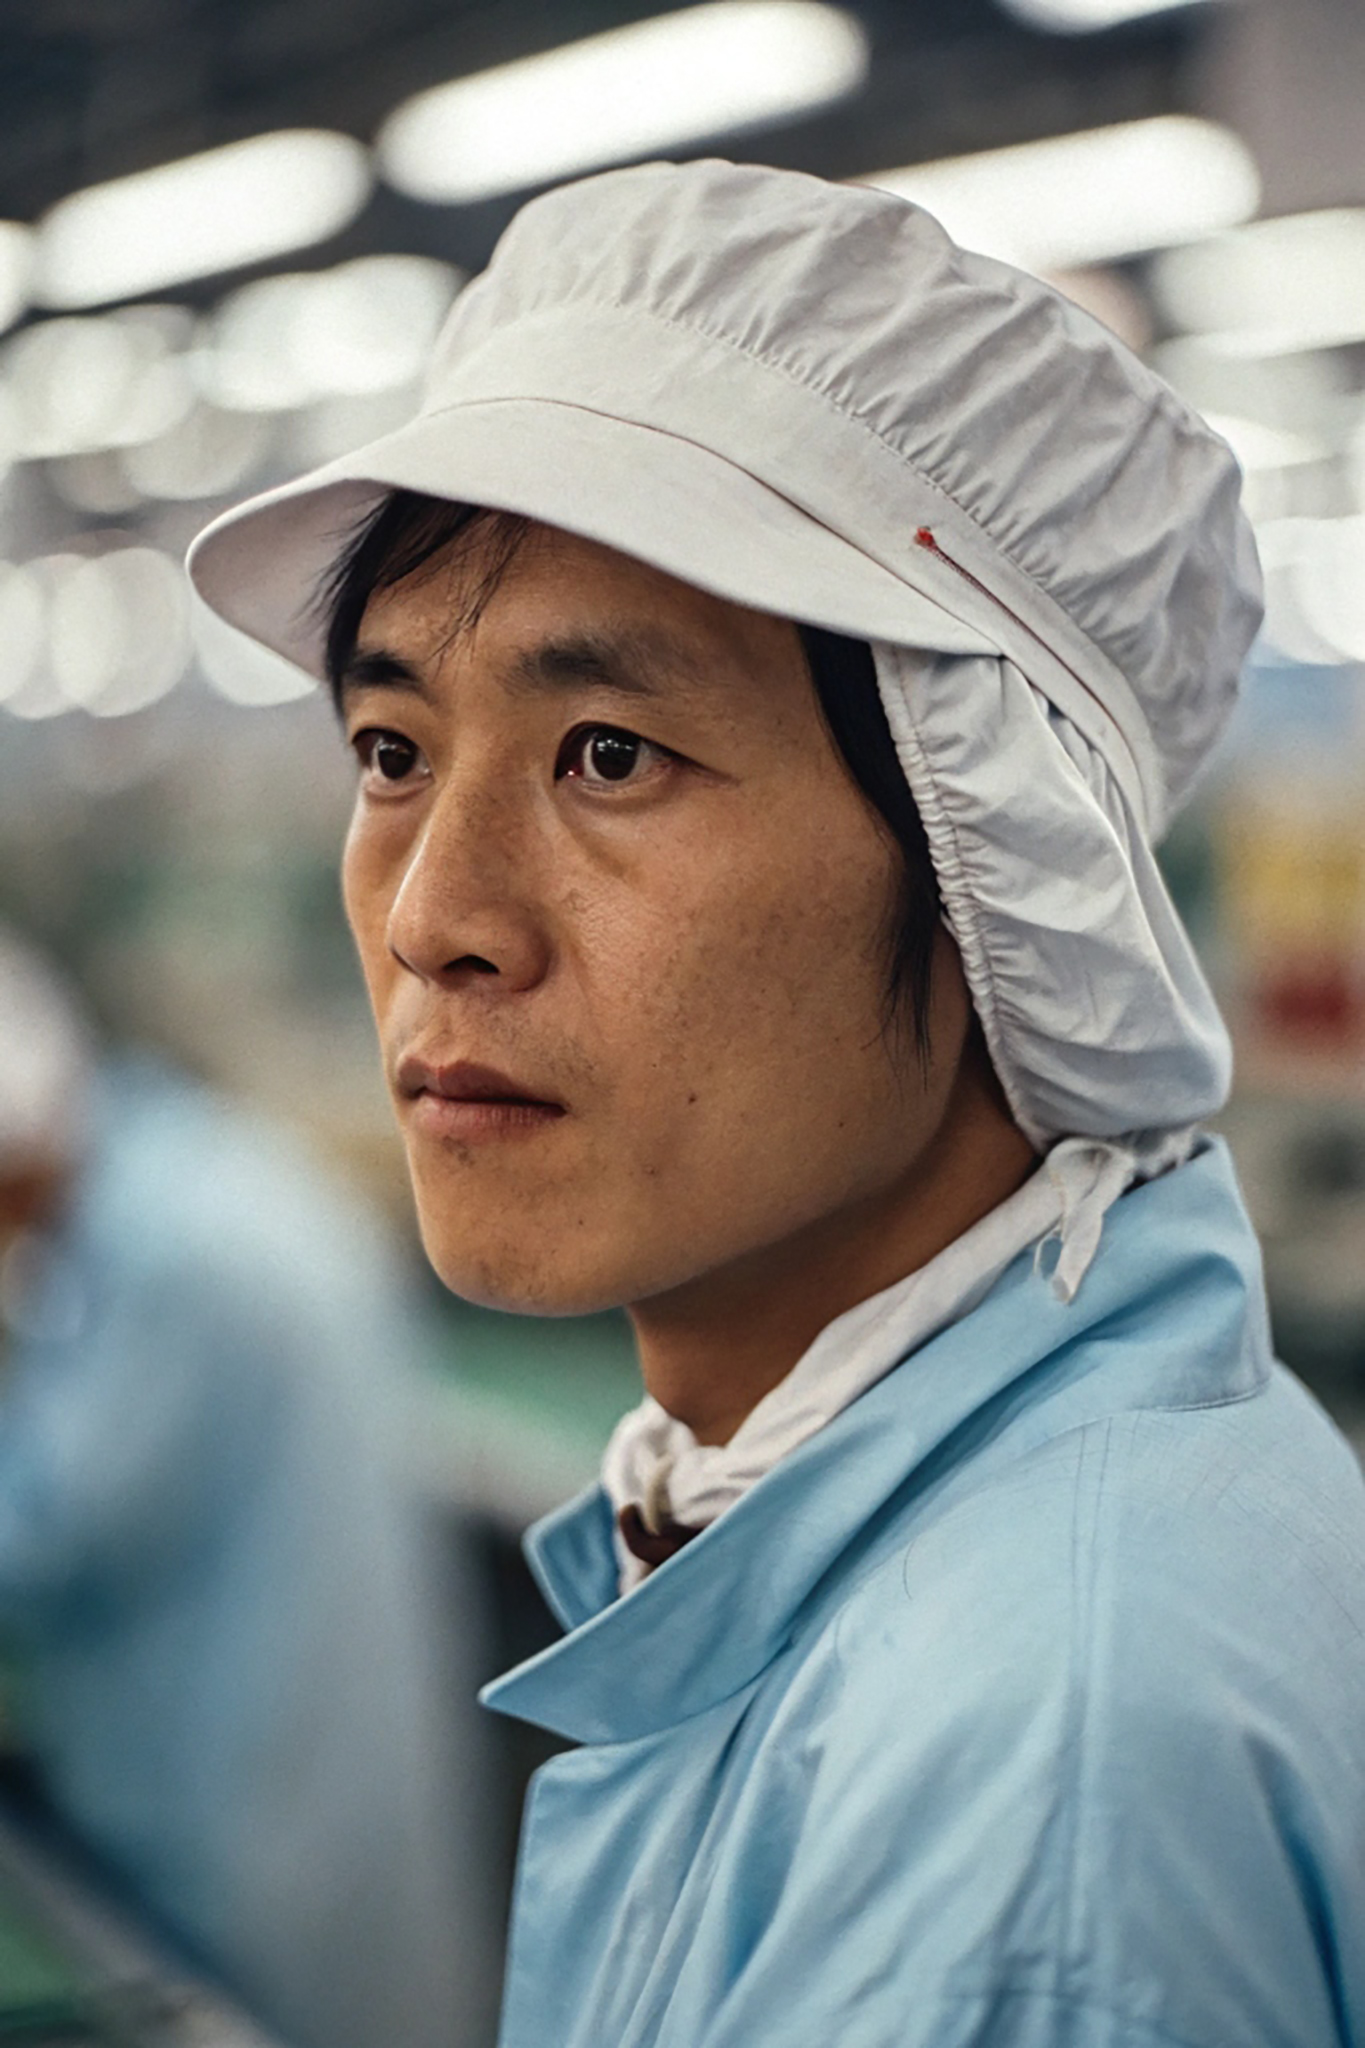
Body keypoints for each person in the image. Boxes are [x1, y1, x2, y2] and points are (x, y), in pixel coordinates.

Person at [189, 159, 1365, 2048]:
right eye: (392, 748)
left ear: (1004, 870)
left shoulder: (1036, 1807)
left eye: (610, 754)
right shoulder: (883, 1516)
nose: (433, 916)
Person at [0, 928, 498, 2048]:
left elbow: (38, 1531)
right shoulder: (182, 1172)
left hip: (250, 1807)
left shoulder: (167, 1253)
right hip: (300, 1755)